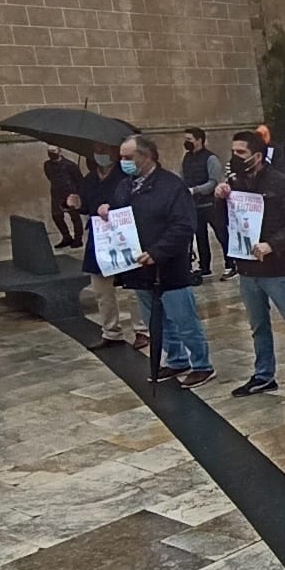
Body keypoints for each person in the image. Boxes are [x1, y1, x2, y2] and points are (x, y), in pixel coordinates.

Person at [213, 131, 285, 406]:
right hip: (247, 268)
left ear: (257, 155)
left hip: (276, 269)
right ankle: (264, 374)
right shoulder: (235, 183)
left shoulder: (280, 183)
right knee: (258, 326)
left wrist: (273, 244)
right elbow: (223, 223)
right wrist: (220, 198)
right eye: (233, 152)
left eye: (241, 153)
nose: (235, 157)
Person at [104, 135, 213, 387]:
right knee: (157, 321)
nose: (123, 162)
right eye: (121, 157)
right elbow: (120, 215)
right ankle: (176, 359)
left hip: (170, 267)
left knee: (184, 319)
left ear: (147, 157)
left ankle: (202, 364)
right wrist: (106, 210)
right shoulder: (125, 186)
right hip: (139, 267)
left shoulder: (171, 186)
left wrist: (159, 251)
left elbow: (184, 225)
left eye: (128, 157)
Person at [71, 150, 146, 350]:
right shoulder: (90, 179)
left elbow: (137, 202)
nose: (100, 154)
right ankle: (111, 331)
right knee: (101, 289)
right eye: (96, 150)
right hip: (100, 238)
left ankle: (142, 329)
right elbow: (86, 205)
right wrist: (77, 204)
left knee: (135, 286)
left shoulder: (127, 177)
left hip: (125, 235)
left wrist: (112, 207)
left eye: (104, 150)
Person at [179, 127, 227, 279]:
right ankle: (204, 267)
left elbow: (214, 182)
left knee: (221, 234)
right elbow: (183, 177)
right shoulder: (187, 158)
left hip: (211, 204)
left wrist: (195, 190)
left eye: (189, 139)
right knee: (200, 236)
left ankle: (230, 264)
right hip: (194, 205)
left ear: (199, 140)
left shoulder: (210, 159)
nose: (186, 142)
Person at [43, 144, 83, 249]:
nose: (51, 154)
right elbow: (49, 177)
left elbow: (79, 180)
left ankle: (78, 239)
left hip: (70, 194)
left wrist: (77, 194)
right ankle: (66, 237)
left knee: (75, 217)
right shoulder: (47, 165)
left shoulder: (70, 165)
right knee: (57, 216)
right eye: (49, 152)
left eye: (54, 151)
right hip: (56, 194)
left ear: (59, 151)